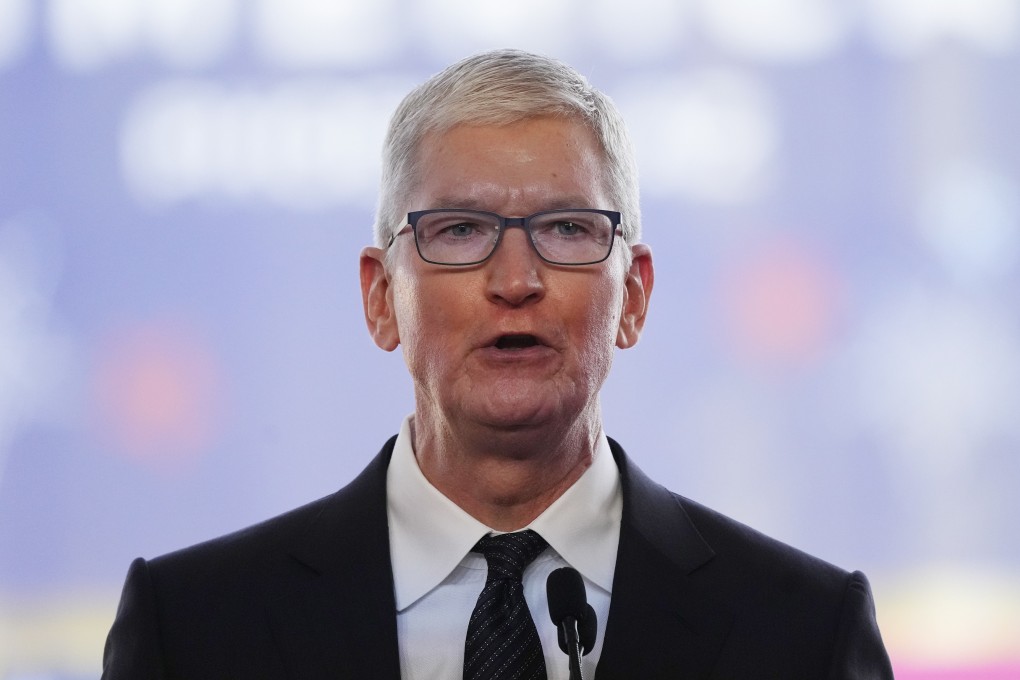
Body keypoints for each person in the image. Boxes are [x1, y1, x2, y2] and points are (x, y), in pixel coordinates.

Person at [102, 49, 894, 680]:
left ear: (636, 296)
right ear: (382, 299)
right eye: (459, 231)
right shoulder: (195, 630)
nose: (516, 280)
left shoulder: (803, 634)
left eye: (568, 228)